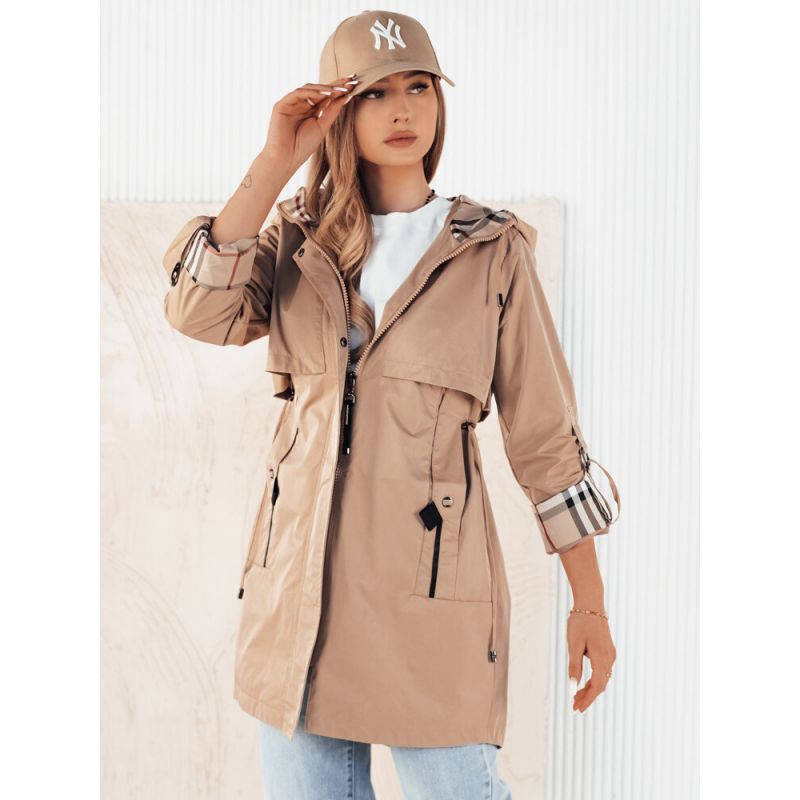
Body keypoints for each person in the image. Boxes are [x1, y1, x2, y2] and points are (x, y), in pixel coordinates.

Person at [161, 9, 621, 799]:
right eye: (374, 93)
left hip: (429, 605)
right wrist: (274, 163)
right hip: (298, 602)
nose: (402, 109)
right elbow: (196, 311)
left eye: (418, 87)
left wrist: (592, 603)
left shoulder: (491, 253)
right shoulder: (295, 243)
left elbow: (546, 438)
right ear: (338, 111)